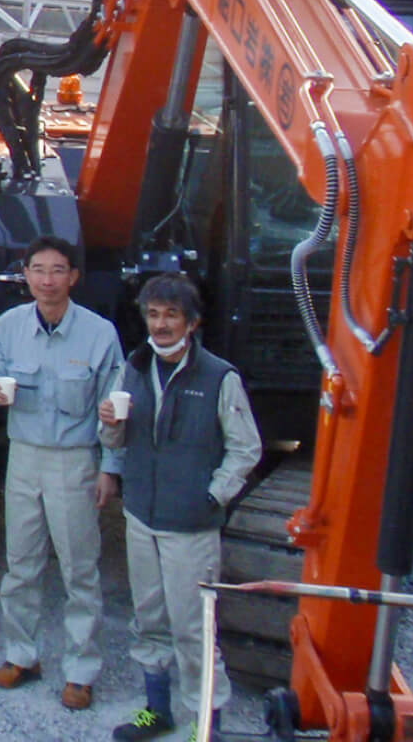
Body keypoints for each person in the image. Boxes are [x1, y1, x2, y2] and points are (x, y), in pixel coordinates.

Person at [99, 273, 262, 741]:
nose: (161, 323)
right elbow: (115, 440)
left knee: (193, 628)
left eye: (171, 314)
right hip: (141, 516)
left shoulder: (218, 376)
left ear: (192, 322)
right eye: (153, 314)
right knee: (148, 619)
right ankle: (157, 710)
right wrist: (109, 423)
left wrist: (213, 495)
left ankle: (205, 723)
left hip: (190, 526)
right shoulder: (134, 367)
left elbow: (246, 448)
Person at [0, 235, 123, 710]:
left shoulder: (99, 334)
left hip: (74, 461)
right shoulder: (9, 326)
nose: (47, 280)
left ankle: (81, 672)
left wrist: (110, 467)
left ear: (73, 277)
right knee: (20, 564)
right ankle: (21, 656)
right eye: (37, 270)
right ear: (25, 275)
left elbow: (114, 407)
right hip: (23, 456)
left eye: (57, 270)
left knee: (79, 569)